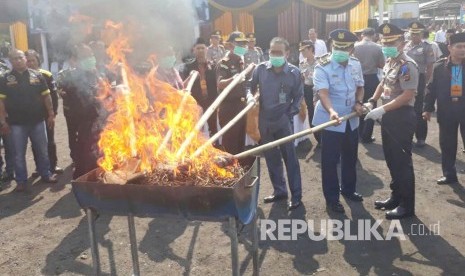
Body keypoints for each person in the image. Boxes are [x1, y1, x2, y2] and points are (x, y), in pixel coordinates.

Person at [366, 23, 419, 219]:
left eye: (392, 42)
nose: (387, 45)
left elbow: (407, 95)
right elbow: (383, 83)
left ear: (402, 43)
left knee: (402, 162)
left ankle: (407, 206)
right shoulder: (390, 61)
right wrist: (372, 100)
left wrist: (382, 108)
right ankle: (396, 196)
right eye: (384, 41)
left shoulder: (407, 65)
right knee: (391, 160)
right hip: (389, 116)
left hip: (402, 117)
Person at [312, 29, 365, 213]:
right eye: (337, 47)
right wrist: (332, 112)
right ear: (332, 46)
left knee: (350, 157)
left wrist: (359, 102)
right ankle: (332, 198)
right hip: (331, 120)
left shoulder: (355, 64)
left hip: (351, 119)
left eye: (344, 48)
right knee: (330, 160)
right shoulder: (322, 66)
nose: (340, 51)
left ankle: (349, 189)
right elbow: (323, 94)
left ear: (351, 49)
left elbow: (360, 87)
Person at [250, 37, 303, 210]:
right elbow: (249, 87)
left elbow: (298, 97)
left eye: (279, 53)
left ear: (287, 53)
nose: (275, 55)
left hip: (284, 122)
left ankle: (296, 195)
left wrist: (289, 113)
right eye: (272, 52)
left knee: (290, 159)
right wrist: (251, 97)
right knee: (272, 159)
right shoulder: (261, 69)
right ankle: (279, 191)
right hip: (265, 121)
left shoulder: (294, 73)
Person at [0, 49, 58, 192]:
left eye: (20, 57)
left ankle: (46, 174)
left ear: (25, 59)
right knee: (18, 154)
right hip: (16, 124)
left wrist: (51, 114)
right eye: (14, 58)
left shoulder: (37, 75)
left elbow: (46, 96)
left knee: (42, 150)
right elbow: (1, 102)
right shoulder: (5, 79)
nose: (18, 60)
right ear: (10, 61)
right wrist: (3, 121)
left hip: (38, 121)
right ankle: (21, 181)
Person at [423, 32, 465, 185]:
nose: (462, 50)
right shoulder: (440, 67)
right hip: (447, 111)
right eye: (459, 46)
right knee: (447, 144)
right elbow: (431, 88)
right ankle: (449, 174)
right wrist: (427, 108)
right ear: (449, 48)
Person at [56, 44, 103, 179]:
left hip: (99, 120)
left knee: (100, 152)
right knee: (83, 153)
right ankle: (82, 179)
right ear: (75, 60)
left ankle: (98, 175)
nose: (91, 59)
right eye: (86, 57)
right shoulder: (69, 77)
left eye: (91, 55)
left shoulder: (98, 73)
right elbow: (69, 96)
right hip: (81, 122)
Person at [25, 49, 63, 174]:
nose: (30, 63)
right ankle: (39, 167)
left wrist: (54, 113)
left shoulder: (46, 75)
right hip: (31, 117)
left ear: (38, 61)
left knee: (50, 141)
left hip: (46, 115)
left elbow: (53, 96)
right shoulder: (21, 76)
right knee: (35, 143)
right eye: (28, 61)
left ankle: (53, 165)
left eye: (33, 60)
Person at [216, 31, 249, 154]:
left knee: (240, 141)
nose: (243, 47)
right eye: (239, 44)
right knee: (230, 143)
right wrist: (233, 79)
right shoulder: (225, 62)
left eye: (244, 44)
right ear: (230, 45)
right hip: (229, 107)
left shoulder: (242, 61)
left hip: (242, 105)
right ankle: (229, 171)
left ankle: (240, 169)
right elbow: (220, 83)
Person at [404, 22, 435, 147]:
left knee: (419, 108)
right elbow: (403, 63)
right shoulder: (406, 46)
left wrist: (426, 82)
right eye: (412, 34)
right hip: (406, 78)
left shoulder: (427, 47)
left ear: (421, 34)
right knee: (406, 107)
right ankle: (407, 134)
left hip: (420, 79)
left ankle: (421, 137)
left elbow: (430, 66)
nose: (414, 36)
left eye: (416, 34)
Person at [353, 28, 385, 143]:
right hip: (371, 78)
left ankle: (358, 132)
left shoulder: (355, 46)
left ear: (362, 35)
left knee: (358, 103)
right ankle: (367, 135)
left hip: (357, 79)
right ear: (374, 35)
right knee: (371, 105)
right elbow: (382, 64)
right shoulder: (377, 47)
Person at [182, 38, 218, 137]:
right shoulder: (188, 67)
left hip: (211, 101)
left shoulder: (214, 66)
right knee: (197, 129)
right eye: (198, 48)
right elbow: (183, 85)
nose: (201, 51)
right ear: (194, 50)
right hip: (195, 103)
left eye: (202, 48)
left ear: (206, 49)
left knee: (213, 128)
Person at [298, 40, 320, 144]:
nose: (302, 52)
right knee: (311, 113)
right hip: (307, 90)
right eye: (301, 50)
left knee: (321, 112)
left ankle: (323, 136)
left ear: (311, 49)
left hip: (319, 90)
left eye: (304, 50)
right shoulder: (302, 64)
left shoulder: (320, 62)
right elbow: (302, 79)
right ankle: (318, 138)